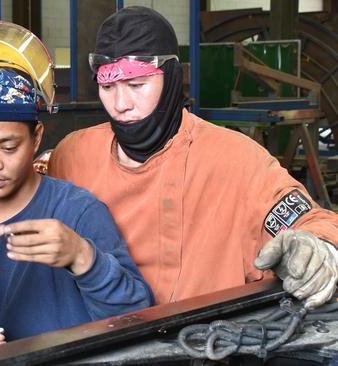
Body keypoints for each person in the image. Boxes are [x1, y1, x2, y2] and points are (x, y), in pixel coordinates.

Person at [48, 6, 338, 309]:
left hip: (210, 342)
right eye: (107, 87)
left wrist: (319, 249)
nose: (121, 104)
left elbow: (313, 221)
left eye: (136, 85)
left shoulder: (235, 159)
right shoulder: (73, 155)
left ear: (172, 78)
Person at [0, 64, 153, 344]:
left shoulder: (79, 211)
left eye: (9, 147)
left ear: (36, 137)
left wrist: (83, 257)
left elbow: (139, 320)